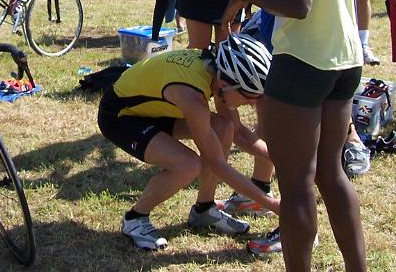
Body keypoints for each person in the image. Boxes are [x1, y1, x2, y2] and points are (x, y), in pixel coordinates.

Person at [221, 0, 369, 272]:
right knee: (332, 174)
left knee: (297, 183)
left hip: (303, 60)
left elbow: (297, 2)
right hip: (346, 60)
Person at [97, 34, 279, 250]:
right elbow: (218, 164)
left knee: (224, 127)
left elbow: (238, 133)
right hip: (120, 115)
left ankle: (204, 210)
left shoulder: (218, 74)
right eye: (249, 95)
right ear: (226, 83)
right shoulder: (192, 94)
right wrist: (275, 206)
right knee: (187, 165)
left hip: (155, 108)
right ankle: (135, 218)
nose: (251, 103)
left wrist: (286, 162)